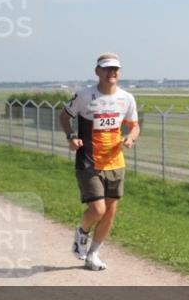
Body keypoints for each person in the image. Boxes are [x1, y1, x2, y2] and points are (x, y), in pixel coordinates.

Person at [59, 53, 140, 272]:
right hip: (89, 161)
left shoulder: (126, 98)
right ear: (97, 71)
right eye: (106, 69)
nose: (111, 72)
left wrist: (130, 138)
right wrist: (71, 136)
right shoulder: (85, 96)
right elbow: (64, 116)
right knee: (97, 209)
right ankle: (82, 233)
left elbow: (134, 126)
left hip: (115, 162)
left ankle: (93, 253)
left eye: (115, 69)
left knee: (110, 212)